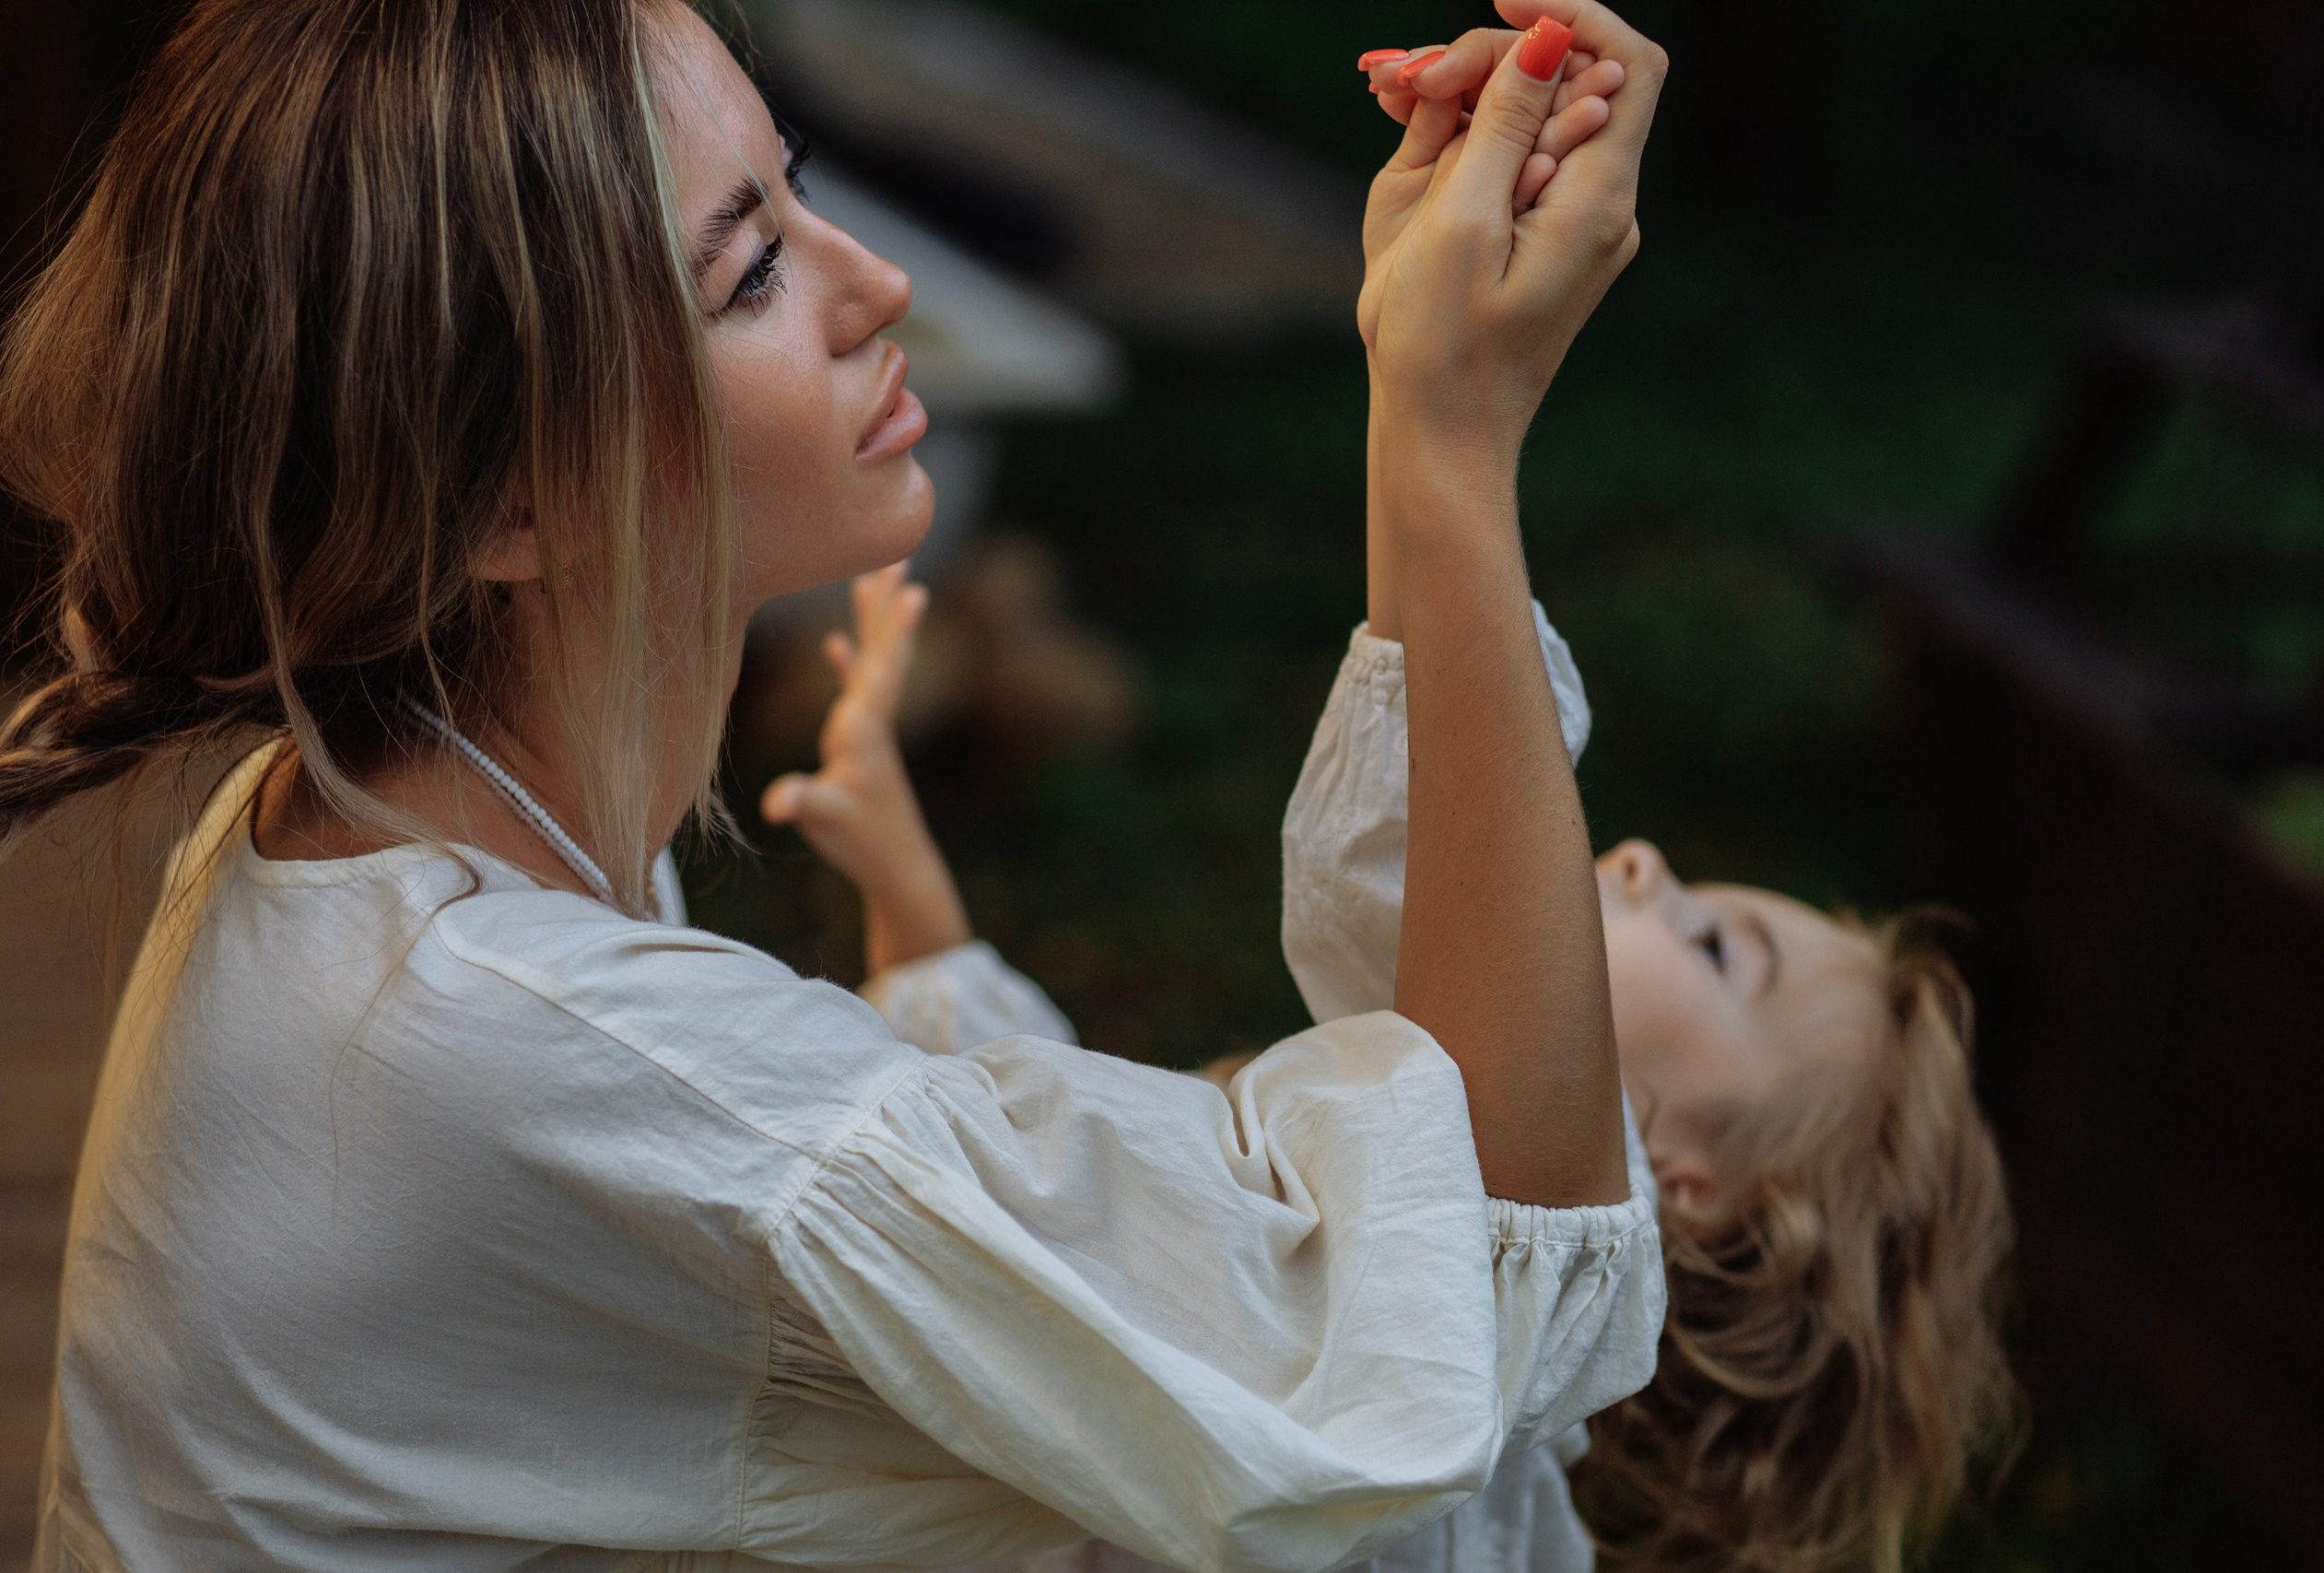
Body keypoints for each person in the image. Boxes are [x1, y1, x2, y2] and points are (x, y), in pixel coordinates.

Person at [0, 0, 1673, 1568]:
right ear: (503, 506)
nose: (873, 281)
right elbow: (1467, 1306)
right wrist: (1447, 435)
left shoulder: (385, 847)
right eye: (748, 277)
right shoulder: (536, 1051)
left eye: (795, 195)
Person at [771, 40, 2018, 1573]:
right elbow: (1092, 1181)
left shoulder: (1461, 1414)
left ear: (1676, 1196)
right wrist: (1408, 358)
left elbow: (1437, 884)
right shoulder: (1403, 1216)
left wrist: (1448, 409)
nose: (1641, 861)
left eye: (1711, 948)